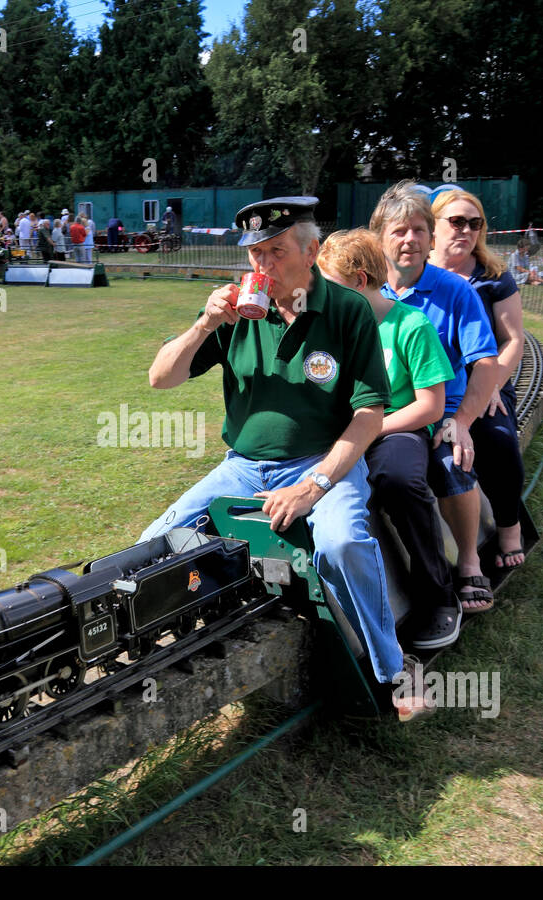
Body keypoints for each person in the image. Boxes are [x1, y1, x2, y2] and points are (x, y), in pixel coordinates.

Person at [139, 196, 423, 719]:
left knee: (339, 543)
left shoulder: (346, 309)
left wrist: (313, 484)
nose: (262, 266)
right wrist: (205, 323)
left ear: (312, 251)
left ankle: (393, 669)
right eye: (254, 254)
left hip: (323, 459)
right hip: (244, 464)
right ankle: (189, 647)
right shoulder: (233, 310)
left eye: (275, 251)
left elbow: (368, 416)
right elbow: (161, 378)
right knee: (155, 544)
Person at [318, 228, 461, 650]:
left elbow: (431, 406)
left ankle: (439, 596)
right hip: (347, 430)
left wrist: (371, 429)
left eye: (331, 289)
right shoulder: (335, 327)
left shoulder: (410, 325)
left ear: (360, 282)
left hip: (397, 429)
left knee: (399, 480)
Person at [372, 181, 502, 615]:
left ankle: (468, 561)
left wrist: (462, 420)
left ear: (430, 238)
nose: (409, 240)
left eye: (419, 231)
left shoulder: (455, 291)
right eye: (398, 231)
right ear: (379, 237)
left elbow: (485, 363)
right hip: (382, 408)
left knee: (451, 460)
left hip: (440, 408)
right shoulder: (364, 291)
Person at [430, 189, 530, 573]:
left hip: (483, 381)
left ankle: (509, 523)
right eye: (456, 221)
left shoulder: (493, 276)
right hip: (432, 383)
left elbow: (513, 340)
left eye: (475, 223)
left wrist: (487, 388)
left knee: (498, 438)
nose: (466, 230)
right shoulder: (414, 270)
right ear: (434, 226)